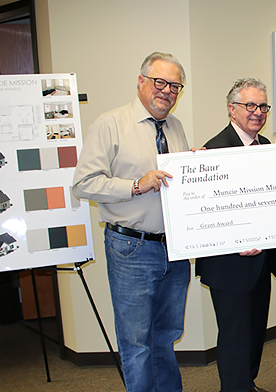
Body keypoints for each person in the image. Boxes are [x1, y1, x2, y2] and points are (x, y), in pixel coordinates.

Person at [72, 52, 191, 392]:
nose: (167, 91)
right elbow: (83, 184)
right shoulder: (110, 124)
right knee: (136, 342)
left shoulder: (176, 127)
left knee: (166, 335)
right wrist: (136, 185)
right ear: (141, 82)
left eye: (175, 86)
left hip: (174, 248)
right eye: (160, 83)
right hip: (131, 249)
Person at [195, 78, 276, 392]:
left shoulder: (268, 148)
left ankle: (246, 382)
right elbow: (207, 212)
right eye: (250, 105)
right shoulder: (212, 152)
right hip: (229, 265)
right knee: (234, 335)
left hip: (262, 261)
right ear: (232, 109)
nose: (258, 112)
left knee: (254, 330)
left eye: (263, 106)